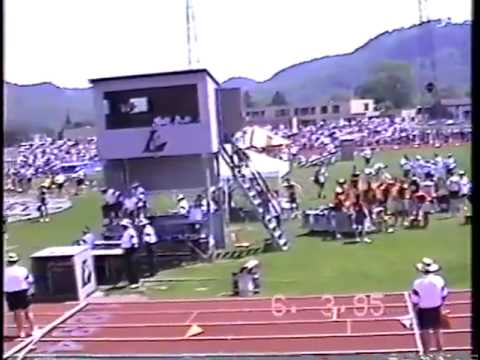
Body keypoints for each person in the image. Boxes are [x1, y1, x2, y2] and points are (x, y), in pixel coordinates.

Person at [410, 258, 448, 356]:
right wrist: (440, 304)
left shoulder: (417, 283)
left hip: (423, 309)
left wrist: (415, 309)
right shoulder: (439, 280)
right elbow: (444, 294)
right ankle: (440, 352)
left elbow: (415, 299)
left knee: (425, 330)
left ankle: (426, 353)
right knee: (437, 329)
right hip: (437, 307)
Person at [4, 252, 36, 338]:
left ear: (7, 261)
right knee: (28, 311)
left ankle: (21, 332)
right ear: (16, 261)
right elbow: (30, 280)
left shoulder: (4, 271)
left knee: (17, 313)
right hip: (23, 292)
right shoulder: (23, 270)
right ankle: (33, 330)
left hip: (10, 293)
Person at [119, 219, 140, 289]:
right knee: (128, 267)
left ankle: (135, 282)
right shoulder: (126, 232)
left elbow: (134, 241)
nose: (122, 226)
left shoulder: (131, 231)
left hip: (131, 250)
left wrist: (132, 248)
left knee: (132, 266)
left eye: (123, 225)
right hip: (127, 251)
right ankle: (131, 281)